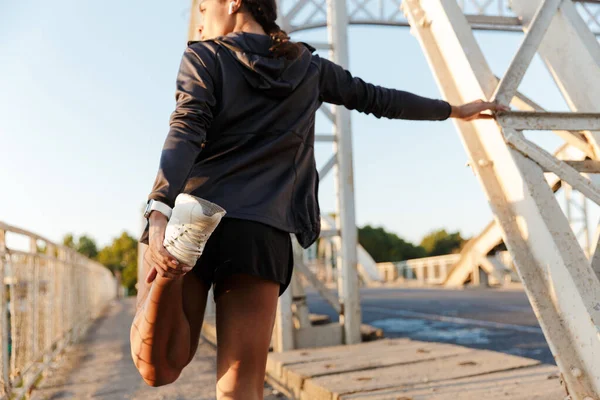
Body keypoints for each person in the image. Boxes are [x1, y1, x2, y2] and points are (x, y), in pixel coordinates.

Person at [130, 0, 509, 397]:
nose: (202, 24)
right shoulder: (309, 69)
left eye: (205, 9)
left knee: (157, 369)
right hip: (261, 234)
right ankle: (169, 279)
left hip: (194, 224)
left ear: (233, 2)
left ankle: (167, 281)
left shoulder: (205, 56)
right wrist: (455, 110)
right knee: (240, 390)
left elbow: (186, 128)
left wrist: (159, 207)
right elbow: (380, 99)